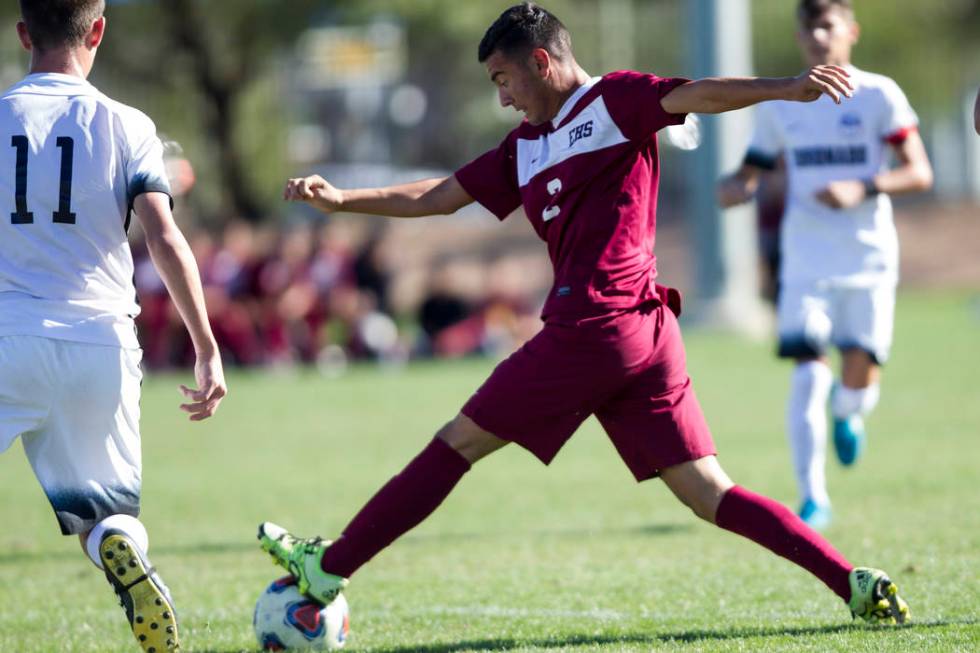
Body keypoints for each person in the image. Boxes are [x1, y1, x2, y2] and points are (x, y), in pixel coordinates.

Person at [258, 1, 908, 629]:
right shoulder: (527, 146)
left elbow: (698, 94)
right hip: (643, 334)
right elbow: (440, 194)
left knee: (458, 440)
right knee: (710, 493)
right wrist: (344, 200)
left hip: (594, 326)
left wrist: (789, 88)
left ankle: (330, 567)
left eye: (503, 79)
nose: (503, 97)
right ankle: (849, 579)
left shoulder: (614, 100)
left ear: (540, 61)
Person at [0, 2, 227, 651]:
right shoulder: (128, 124)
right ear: (97, 30)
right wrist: (206, 346)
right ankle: (120, 544)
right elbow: (163, 237)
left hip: (8, 332)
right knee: (107, 513)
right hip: (100, 339)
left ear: (23, 34)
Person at [718, 0, 933, 529]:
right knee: (807, 375)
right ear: (799, 38)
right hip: (806, 259)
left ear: (850, 32)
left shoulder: (881, 94)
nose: (818, 35)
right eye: (808, 27)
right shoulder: (782, 104)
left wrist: (862, 186)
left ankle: (849, 410)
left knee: (858, 377)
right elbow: (749, 172)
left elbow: (919, 173)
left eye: (827, 25)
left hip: (869, 256)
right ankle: (813, 497)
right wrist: (733, 187)